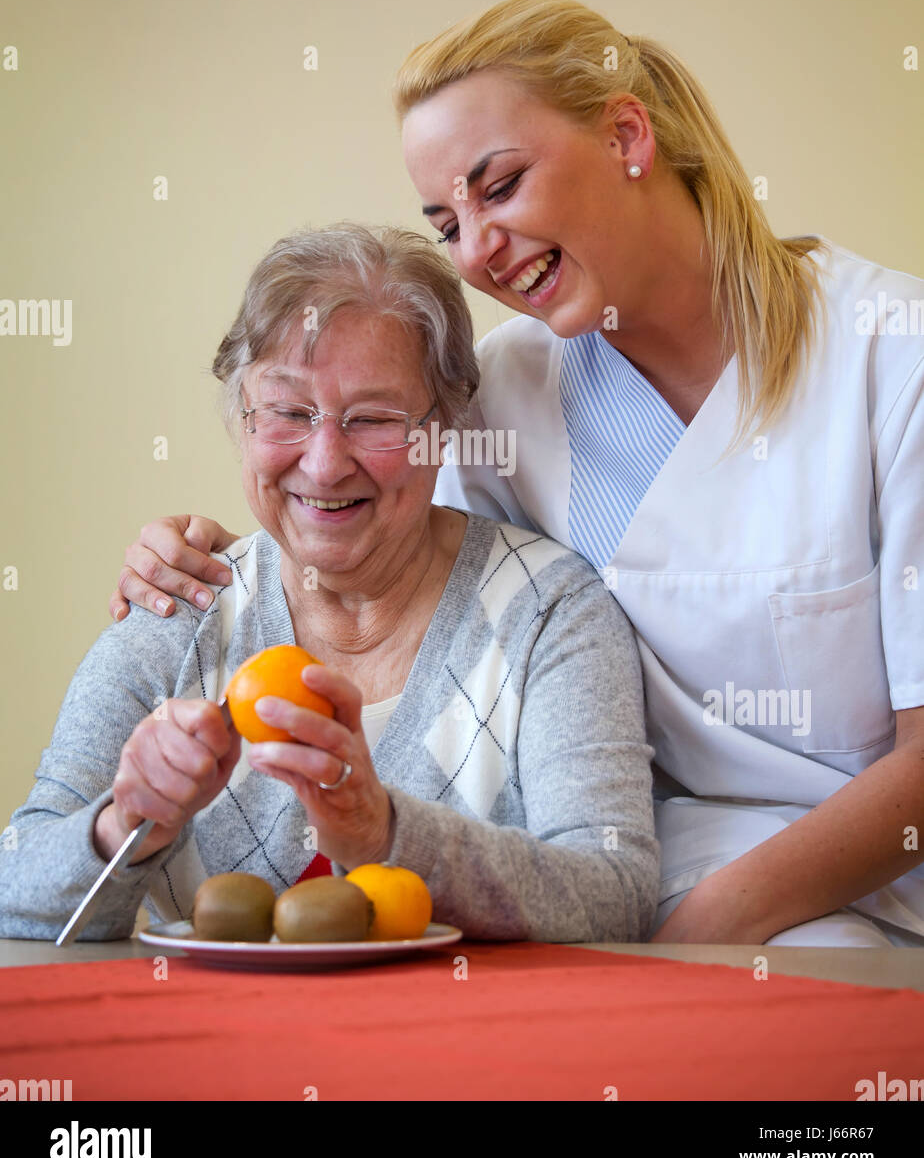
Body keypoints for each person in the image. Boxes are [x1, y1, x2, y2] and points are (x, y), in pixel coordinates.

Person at [107, 0, 924, 948]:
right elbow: (391, 573)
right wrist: (200, 558)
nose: (477, 251)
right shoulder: (506, 389)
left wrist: (687, 941)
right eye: (446, 223)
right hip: (619, 878)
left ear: (627, 134)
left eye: (498, 188)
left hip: (851, 895)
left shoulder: (889, 360)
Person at [0, 223, 660, 944]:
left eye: (372, 419)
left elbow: (614, 895)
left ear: (442, 429)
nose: (323, 463)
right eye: (288, 413)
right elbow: (15, 891)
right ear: (240, 419)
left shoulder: (549, 612)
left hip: (465, 1051)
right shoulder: (177, 609)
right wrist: (125, 823)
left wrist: (386, 832)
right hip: (208, 1051)